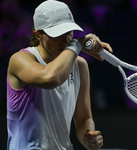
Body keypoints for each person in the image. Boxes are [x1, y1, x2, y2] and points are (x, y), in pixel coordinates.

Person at [7, 0, 112, 150]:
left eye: (68, 32)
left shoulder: (80, 65)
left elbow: (83, 119)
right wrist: (77, 44)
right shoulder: (20, 59)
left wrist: (87, 138)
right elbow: (50, 78)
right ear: (38, 35)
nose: (65, 40)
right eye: (57, 34)